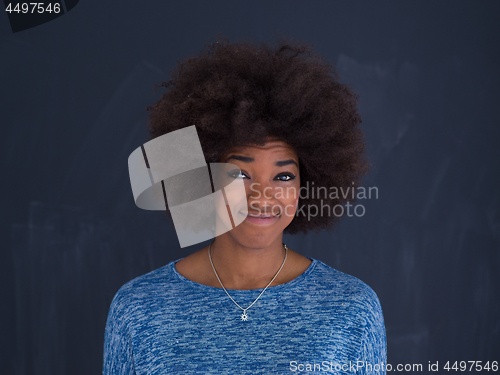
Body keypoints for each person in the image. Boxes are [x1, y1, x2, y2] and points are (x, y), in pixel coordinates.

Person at [103, 35, 386, 374]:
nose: (262, 195)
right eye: (239, 174)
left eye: (282, 177)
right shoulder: (139, 307)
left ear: (305, 186)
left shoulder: (351, 307)